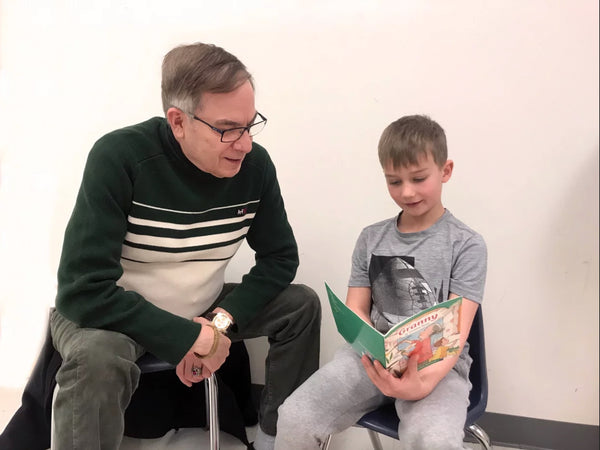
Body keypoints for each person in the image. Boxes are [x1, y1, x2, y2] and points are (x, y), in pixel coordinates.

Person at [49, 42, 321, 450]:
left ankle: (277, 439)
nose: (244, 143)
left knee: (301, 305)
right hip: (117, 314)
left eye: (251, 125)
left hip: (203, 307)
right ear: (178, 121)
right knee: (96, 359)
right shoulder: (119, 158)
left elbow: (280, 258)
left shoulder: (255, 166)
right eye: (228, 129)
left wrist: (218, 325)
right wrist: (185, 337)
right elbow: (82, 290)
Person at [276, 115, 487, 450]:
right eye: (394, 181)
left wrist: (421, 384)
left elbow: (456, 333)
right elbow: (357, 308)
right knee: (295, 415)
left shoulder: (466, 245)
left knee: (435, 440)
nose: (406, 192)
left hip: (437, 369)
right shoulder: (371, 238)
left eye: (418, 178)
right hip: (369, 361)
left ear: (445, 171)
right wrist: (376, 351)